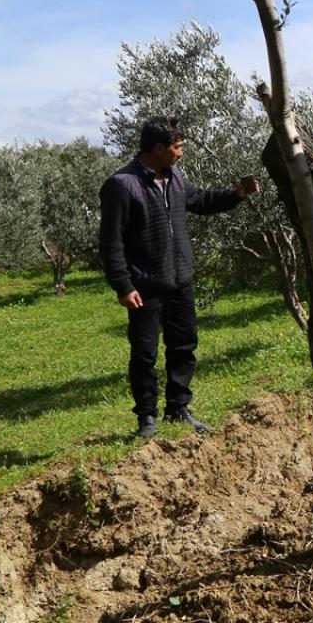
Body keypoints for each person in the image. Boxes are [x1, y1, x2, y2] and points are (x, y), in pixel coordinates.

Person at [99, 116, 260, 439]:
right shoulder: (122, 184)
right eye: (177, 147)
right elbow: (110, 241)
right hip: (144, 287)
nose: (181, 153)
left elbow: (199, 201)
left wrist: (236, 194)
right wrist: (123, 285)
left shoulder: (174, 177)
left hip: (180, 281)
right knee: (144, 354)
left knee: (183, 346)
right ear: (158, 148)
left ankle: (178, 408)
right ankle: (146, 417)